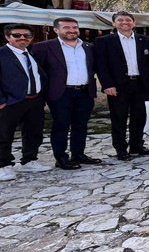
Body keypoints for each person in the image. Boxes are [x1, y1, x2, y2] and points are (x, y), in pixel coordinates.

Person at [0, 24, 49, 180]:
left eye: (27, 36)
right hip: (10, 102)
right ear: (7, 37)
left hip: (34, 100)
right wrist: (0, 101)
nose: (22, 38)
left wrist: (41, 97)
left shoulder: (31, 54)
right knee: (4, 134)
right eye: (17, 35)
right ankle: (4, 165)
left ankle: (29, 160)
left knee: (33, 132)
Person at [31, 17, 101, 170]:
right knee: (61, 125)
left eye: (75, 27)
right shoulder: (44, 47)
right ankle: (61, 158)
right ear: (56, 30)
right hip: (61, 93)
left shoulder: (88, 47)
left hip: (85, 92)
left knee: (81, 125)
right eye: (66, 27)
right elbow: (37, 72)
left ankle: (78, 154)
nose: (72, 30)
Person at [95, 11, 149, 161]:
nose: (124, 22)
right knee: (119, 118)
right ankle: (120, 149)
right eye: (120, 20)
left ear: (134, 23)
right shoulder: (104, 41)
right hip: (118, 86)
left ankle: (136, 145)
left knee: (139, 116)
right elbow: (101, 65)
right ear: (114, 23)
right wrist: (107, 85)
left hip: (141, 84)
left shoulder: (146, 40)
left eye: (128, 20)